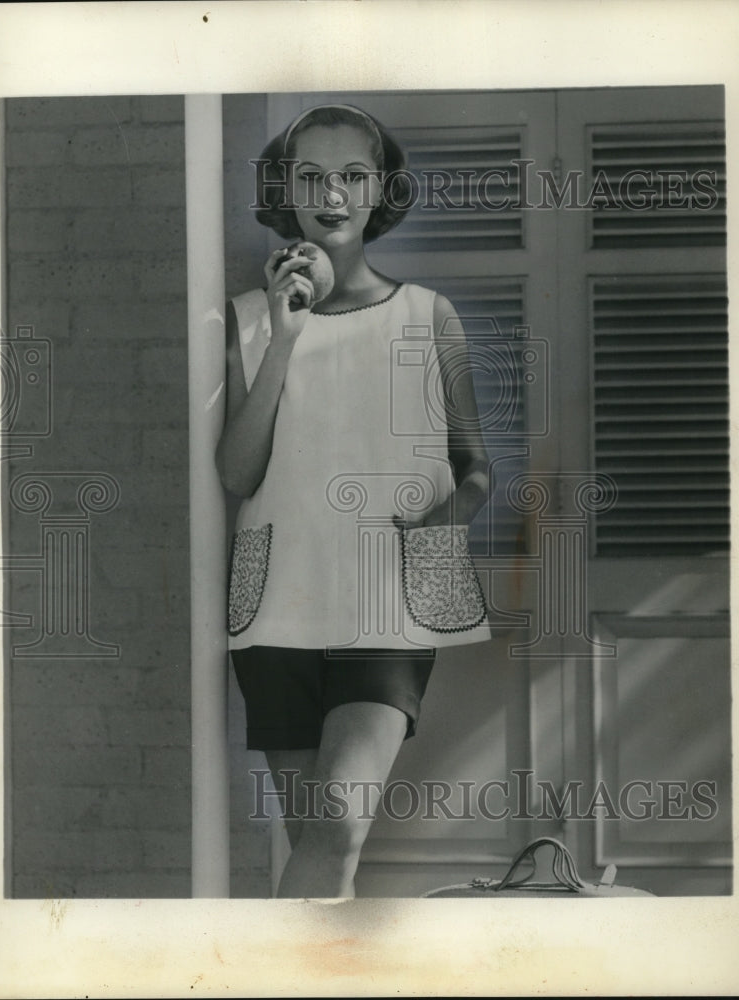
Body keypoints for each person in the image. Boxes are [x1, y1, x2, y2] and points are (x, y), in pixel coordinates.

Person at [216, 104, 492, 898]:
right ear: (285, 188)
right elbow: (237, 474)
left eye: (350, 175)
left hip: (391, 599)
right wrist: (284, 334)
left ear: (379, 189)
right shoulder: (246, 320)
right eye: (309, 175)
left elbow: (474, 465)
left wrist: (449, 517)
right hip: (276, 603)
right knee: (319, 847)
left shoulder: (428, 316)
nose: (329, 192)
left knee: (335, 818)